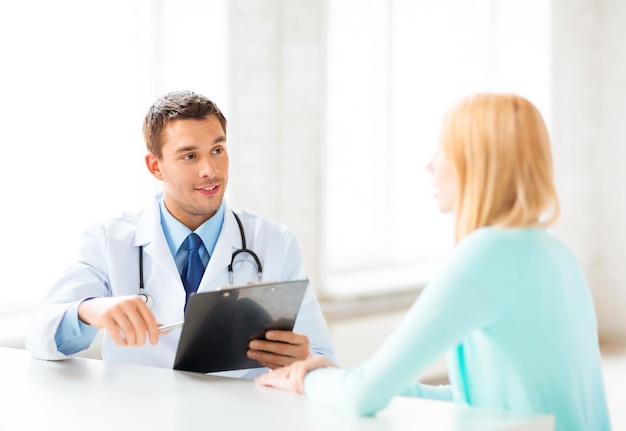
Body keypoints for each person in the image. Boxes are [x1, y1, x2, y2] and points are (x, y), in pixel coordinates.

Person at [255, 93, 611, 430]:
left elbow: (361, 397)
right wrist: (336, 377)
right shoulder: (552, 250)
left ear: (476, 163)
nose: (430, 164)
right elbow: (476, 402)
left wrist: (308, 377)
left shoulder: (487, 255)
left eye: (444, 149)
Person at [25, 90, 336, 379]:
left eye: (217, 150)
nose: (210, 170)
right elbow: (40, 336)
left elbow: (323, 357)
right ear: (155, 166)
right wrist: (89, 309)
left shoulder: (274, 242)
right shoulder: (110, 240)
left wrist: (302, 358)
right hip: (142, 416)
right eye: (190, 156)